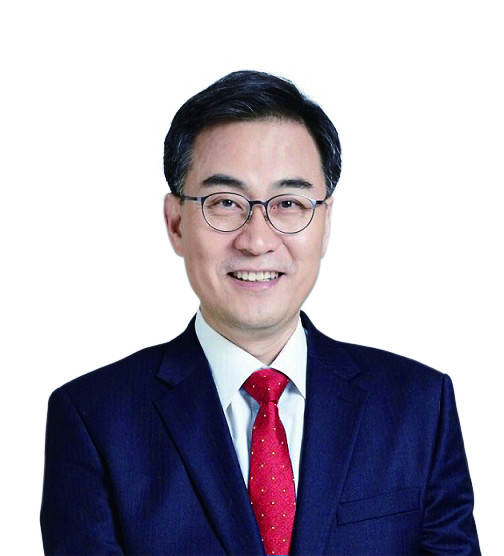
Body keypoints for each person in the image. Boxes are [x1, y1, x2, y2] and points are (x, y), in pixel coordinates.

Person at [40, 70, 480, 555]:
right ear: (176, 223)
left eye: (289, 203)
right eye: (225, 203)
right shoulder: (94, 420)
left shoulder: (419, 406)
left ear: (325, 223)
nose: (257, 240)